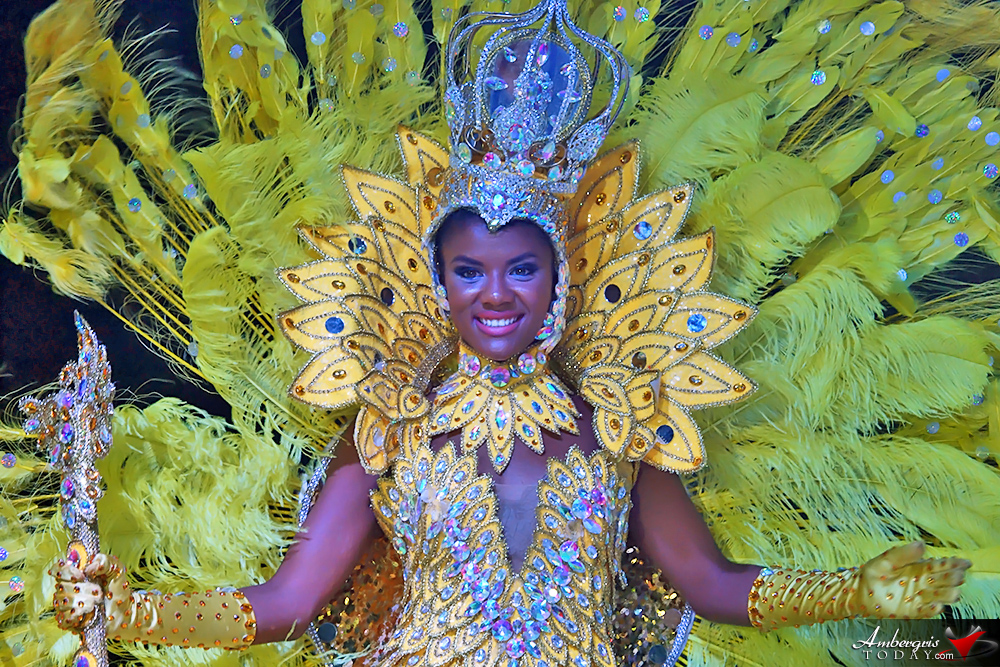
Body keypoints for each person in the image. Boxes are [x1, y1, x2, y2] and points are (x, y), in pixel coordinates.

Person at [7, 0, 998, 665]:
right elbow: (281, 606)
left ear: (560, 278)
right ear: (434, 279)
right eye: (468, 270)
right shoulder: (383, 431)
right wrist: (125, 610)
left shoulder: (619, 427)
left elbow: (712, 585)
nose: (495, 295)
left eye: (521, 268)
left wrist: (854, 588)